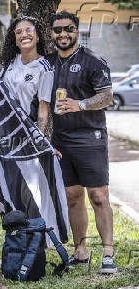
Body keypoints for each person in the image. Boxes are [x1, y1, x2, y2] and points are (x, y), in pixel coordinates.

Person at [46, 11, 116, 274]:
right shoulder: (48, 62)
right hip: (61, 138)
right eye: (57, 30)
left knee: (98, 196)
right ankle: (81, 251)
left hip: (91, 137)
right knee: (72, 196)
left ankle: (108, 253)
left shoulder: (93, 61)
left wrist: (81, 104)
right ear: (51, 34)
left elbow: (107, 96)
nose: (63, 34)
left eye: (68, 29)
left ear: (76, 30)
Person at [0, 16, 52, 134]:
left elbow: (43, 109)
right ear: (15, 40)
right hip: (3, 129)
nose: (24, 35)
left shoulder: (44, 68)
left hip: (26, 131)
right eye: (19, 32)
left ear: (38, 37)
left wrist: (39, 138)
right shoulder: (10, 64)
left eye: (29, 30)